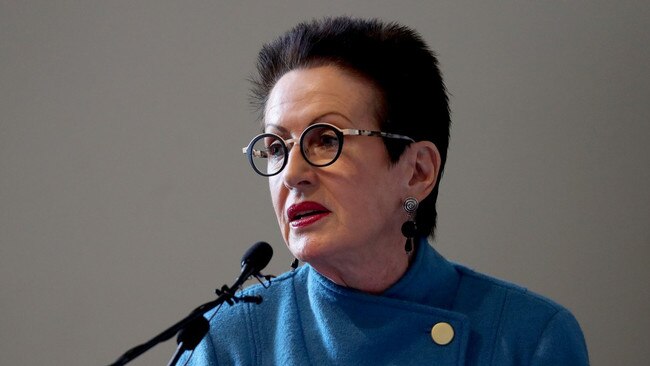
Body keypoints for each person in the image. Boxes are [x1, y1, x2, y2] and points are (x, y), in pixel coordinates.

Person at [180, 16, 589, 365]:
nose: (292, 174)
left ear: (417, 173)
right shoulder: (225, 344)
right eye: (275, 148)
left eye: (325, 139)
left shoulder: (528, 338)